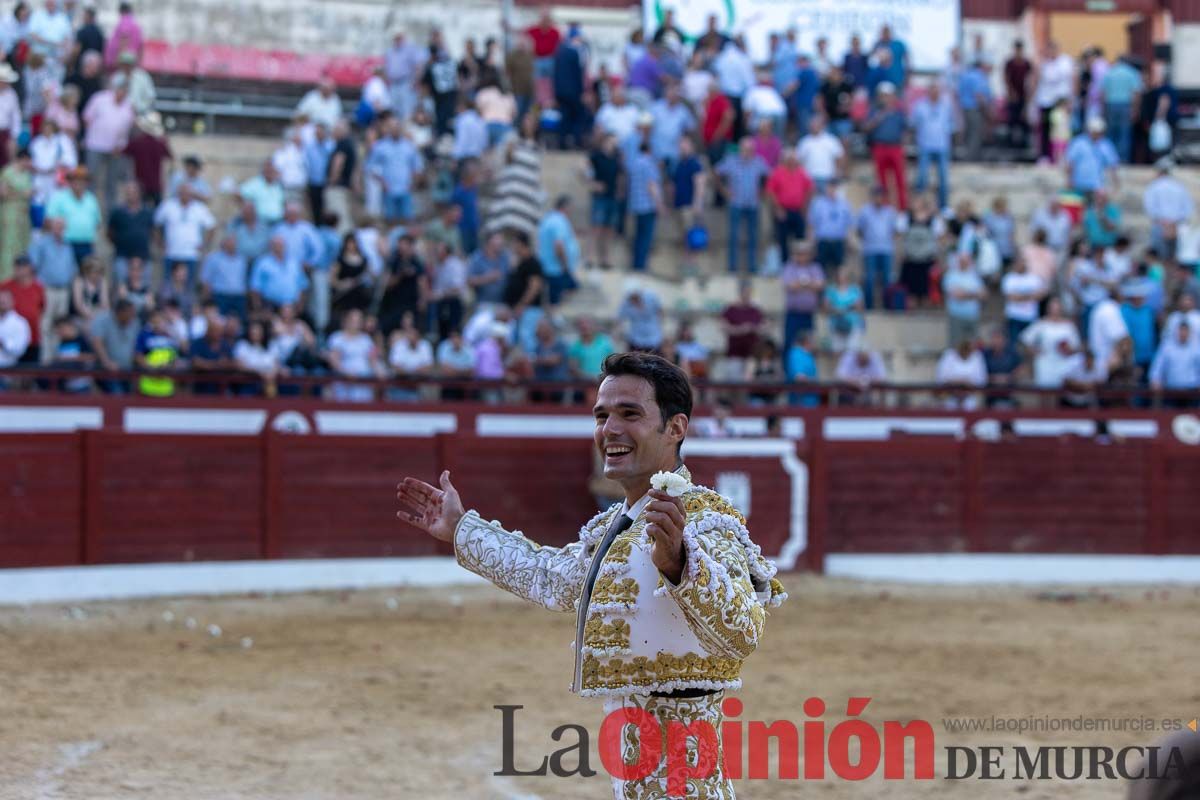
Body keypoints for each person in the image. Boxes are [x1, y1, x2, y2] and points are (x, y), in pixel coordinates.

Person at [397, 351, 785, 798]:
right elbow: (550, 577)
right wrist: (463, 530)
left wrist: (680, 564)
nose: (610, 429)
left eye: (629, 414)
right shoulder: (611, 528)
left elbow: (744, 632)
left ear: (675, 428)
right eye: (602, 415)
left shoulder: (704, 519)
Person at [715, 137, 768, 274]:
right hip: (736, 203)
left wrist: (761, 192)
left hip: (752, 203)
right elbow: (716, 172)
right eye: (745, 149)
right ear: (740, 149)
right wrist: (724, 190)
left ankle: (752, 267)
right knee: (733, 236)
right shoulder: (731, 161)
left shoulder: (758, 162)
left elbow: (768, 176)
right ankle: (732, 267)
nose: (747, 152)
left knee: (753, 237)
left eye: (750, 149)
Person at [154, 183, 216, 286]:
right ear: (178, 193)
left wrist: (205, 245)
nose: (184, 195)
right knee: (168, 286)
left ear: (192, 194)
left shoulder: (199, 208)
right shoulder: (168, 205)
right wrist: (160, 243)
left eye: (187, 193)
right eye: (182, 193)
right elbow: (156, 224)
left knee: (189, 286)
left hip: (191, 254)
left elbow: (212, 226)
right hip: (171, 253)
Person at [765, 148, 813, 267]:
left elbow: (810, 189)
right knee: (782, 240)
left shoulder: (801, 172)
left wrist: (805, 206)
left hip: (798, 210)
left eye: (794, 159)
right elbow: (770, 191)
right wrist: (778, 208)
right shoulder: (778, 172)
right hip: (783, 210)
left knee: (800, 240)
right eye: (790, 159)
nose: (792, 161)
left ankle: (801, 265)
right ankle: (785, 266)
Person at [910, 80, 953, 211]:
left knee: (944, 179)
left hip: (942, 146)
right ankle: (918, 205)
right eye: (932, 90)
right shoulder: (920, 106)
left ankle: (943, 207)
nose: (935, 93)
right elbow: (913, 124)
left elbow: (951, 126)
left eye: (937, 91)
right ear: (928, 92)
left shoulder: (946, 106)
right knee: (922, 177)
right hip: (925, 146)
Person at [863, 83, 907, 211]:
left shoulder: (899, 112)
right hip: (879, 147)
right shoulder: (874, 111)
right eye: (882, 96)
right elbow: (866, 128)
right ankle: (885, 208)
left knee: (900, 179)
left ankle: (902, 209)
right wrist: (879, 116)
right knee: (881, 181)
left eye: (887, 96)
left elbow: (905, 129)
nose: (885, 98)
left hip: (895, 147)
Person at [856, 185, 900, 310]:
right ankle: (869, 307)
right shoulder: (865, 211)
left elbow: (895, 231)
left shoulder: (890, 212)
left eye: (881, 196)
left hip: (886, 249)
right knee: (869, 278)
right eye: (876, 196)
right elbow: (859, 230)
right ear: (872, 197)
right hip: (870, 249)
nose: (878, 198)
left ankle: (888, 306)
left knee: (887, 279)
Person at [45, 166, 101, 265]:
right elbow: (48, 221)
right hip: (65, 244)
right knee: (65, 275)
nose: (78, 183)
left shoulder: (91, 199)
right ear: (69, 182)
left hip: (86, 245)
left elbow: (97, 223)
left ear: (87, 183)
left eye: (82, 180)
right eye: (75, 180)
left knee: (85, 277)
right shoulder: (59, 197)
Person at [1143, 157, 1193, 259]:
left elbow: (1150, 208)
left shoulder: (1153, 187)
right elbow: (1188, 209)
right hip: (1174, 226)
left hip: (1163, 226)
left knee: (1161, 257)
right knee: (1174, 257)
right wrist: (1174, 222)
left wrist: (1166, 222)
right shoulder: (1179, 187)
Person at [899, 193, 943, 308]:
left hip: (927, 257)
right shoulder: (905, 218)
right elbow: (900, 237)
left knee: (927, 288)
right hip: (911, 258)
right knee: (911, 289)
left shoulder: (933, 219)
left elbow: (939, 238)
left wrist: (936, 254)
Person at [1033, 41, 1075, 162]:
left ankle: (1062, 156)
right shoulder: (1043, 63)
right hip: (1045, 101)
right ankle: (1045, 156)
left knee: (1061, 130)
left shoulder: (1066, 62)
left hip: (1061, 102)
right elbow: (1036, 80)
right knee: (1045, 130)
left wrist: (1072, 100)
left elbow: (1073, 80)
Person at [536, 195, 579, 307]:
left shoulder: (548, 219)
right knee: (555, 300)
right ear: (565, 207)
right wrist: (565, 265)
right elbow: (558, 245)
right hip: (556, 268)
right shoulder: (558, 221)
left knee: (566, 290)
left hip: (550, 266)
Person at [1065, 116, 1119, 198]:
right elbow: (1070, 162)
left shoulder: (1105, 145)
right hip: (1078, 184)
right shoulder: (1079, 143)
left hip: (1097, 185)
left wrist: (1115, 183)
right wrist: (1069, 179)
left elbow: (1112, 165)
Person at [1149, 319, 1200, 401]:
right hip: (1171, 390)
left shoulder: (1196, 347)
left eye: (1185, 331)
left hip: (1192, 391)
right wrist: (1155, 379)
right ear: (1176, 331)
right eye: (1181, 330)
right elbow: (1157, 366)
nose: (1183, 333)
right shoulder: (1167, 347)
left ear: (1189, 332)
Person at [943, 250, 986, 347]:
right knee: (955, 345)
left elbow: (983, 294)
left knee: (973, 345)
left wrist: (965, 293)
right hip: (956, 316)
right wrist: (974, 294)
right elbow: (956, 296)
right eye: (962, 260)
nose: (964, 263)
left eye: (966, 260)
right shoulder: (951, 275)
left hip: (973, 316)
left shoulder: (974, 275)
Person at [0, 149, 32, 280]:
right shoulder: (7, 172)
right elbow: (3, 193)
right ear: (22, 159)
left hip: (23, 216)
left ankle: (19, 278)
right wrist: (21, 195)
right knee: (9, 246)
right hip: (10, 214)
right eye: (27, 160)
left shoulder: (26, 174)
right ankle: (5, 277)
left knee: (21, 246)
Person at [795, 115, 843, 192]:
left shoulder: (831, 140)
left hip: (828, 177)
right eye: (812, 125)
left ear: (822, 126)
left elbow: (839, 157)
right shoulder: (804, 142)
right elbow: (798, 160)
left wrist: (837, 172)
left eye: (816, 125)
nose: (814, 127)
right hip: (810, 177)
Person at [935, 339, 987, 409]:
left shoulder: (977, 356)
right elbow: (941, 379)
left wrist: (966, 384)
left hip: (970, 399)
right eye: (963, 348)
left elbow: (981, 380)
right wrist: (959, 382)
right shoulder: (948, 355)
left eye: (967, 349)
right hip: (950, 398)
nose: (965, 351)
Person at [1003, 41, 1032, 150]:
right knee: (1012, 120)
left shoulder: (1027, 63)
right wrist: (1011, 92)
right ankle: (1011, 145)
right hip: (1013, 96)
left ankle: (1024, 145)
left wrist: (1029, 95)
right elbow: (1006, 78)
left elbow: (1031, 79)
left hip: (1024, 96)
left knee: (1024, 121)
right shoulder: (1009, 63)